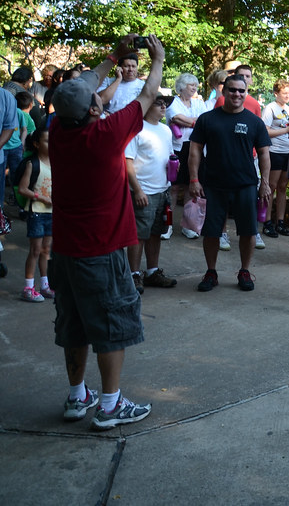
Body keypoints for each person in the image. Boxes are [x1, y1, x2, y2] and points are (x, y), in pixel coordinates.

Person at [50, 33, 164, 430]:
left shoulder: (59, 131)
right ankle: (111, 405)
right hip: (100, 251)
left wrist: (116, 55)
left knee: (74, 323)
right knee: (112, 325)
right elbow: (148, 95)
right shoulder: (104, 136)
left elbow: (86, 86)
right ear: (95, 108)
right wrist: (158, 58)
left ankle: (77, 395)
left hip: (64, 251)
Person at [188, 73, 272, 293]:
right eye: (232, 90)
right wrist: (194, 179)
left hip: (245, 184)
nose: (237, 94)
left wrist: (265, 183)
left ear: (246, 93)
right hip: (213, 185)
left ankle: (244, 271)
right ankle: (211, 272)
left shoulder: (255, 122)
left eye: (241, 91)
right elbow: (195, 150)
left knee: (248, 231)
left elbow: (264, 153)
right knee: (212, 231)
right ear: (223, 92)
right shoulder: (208, 119)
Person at [124, 95, 178, 291]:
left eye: (165, 103)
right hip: (143, 191)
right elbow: (127, 161)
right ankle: (133, 274)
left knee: (156, 232)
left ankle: (152, 272)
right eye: (159, 103)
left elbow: (170, 156)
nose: (164, 106)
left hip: (162, 189)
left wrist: (174, 169)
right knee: (139, 234)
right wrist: (137, 190)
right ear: (146, 106)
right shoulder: (136, 129)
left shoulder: (165, 130)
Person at [166, 73, 206, 237]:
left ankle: (188, 225)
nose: (194, 88)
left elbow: (204, 121)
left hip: (195, 147)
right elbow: (176, 118)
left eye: (195, 85)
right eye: (191, 85)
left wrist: (189, 121)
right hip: (178, 148)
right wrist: (194, 122)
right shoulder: (172, 103)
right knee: (174, 187)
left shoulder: (198, 103)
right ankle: (167, 224)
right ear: (181, 86)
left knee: (192, 186)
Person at [17, 127, 53, 302]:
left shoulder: (56, 162)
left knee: (46, 250)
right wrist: (41, 198)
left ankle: (44, 285)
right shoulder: (33, 163)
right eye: (46, 141)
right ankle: (28, 287)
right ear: (37, 144)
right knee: (35, 250)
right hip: (37, 212)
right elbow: (23, 189)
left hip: (51, 213)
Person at [261, 79, 289, 239]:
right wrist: (286, 130)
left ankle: (280, 221)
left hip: (288, 152)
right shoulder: (270, 108)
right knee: (272, 186)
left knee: (283, 186)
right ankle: (267, 221)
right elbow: (265, 131)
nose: (287, 96)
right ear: (276, 93)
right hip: (274, 150)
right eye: (284, 93)